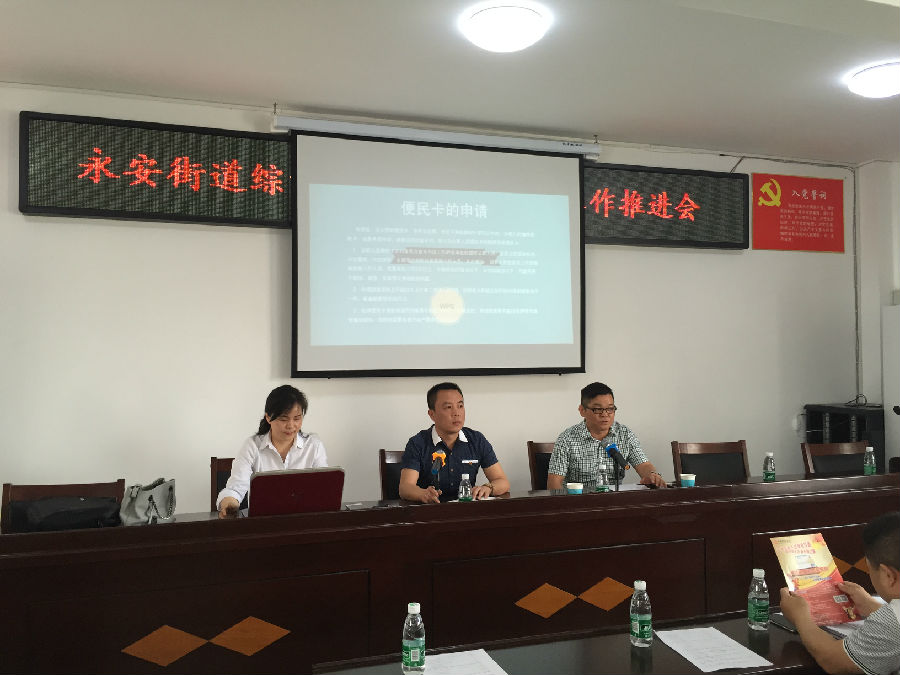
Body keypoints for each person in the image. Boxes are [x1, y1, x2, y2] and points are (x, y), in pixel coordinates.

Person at [780, 511, 900, 675]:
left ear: (889, 576)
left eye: (870, 569)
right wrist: (873, 607)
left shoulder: (892, 623)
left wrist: (800, 616)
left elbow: (833, 659)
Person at [216, 385, 328, 518]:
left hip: (304, 521)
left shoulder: (313, 446)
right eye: (283, 419)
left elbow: (323, 490)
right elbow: (235, 489)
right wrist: (230, 505)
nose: (291, 425)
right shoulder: (252, 446)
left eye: (297, 418)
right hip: (263, 523)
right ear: (268, 417)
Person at [399, 382, 510, 503]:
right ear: (432, 414)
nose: (456, 413)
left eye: (460, 406)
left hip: (466, 509)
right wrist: (423, 494)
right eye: (448, 407)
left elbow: (502, 481)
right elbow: (406, 487)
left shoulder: (476, 440)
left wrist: (488, 488)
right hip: (431, 510)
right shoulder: (418, 443)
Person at [547, 382, 667, 489]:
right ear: (582, 410)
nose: (605, 414)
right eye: (598, 409)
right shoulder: (567, 439)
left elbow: (644, 465)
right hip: (579, 501)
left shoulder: (625, 434)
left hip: (614, 500)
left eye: (610, 409)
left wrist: (653, 475)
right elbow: (554, 483)